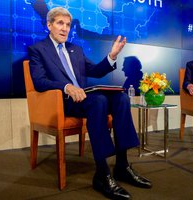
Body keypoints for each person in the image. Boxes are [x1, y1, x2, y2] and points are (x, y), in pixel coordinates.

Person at [28, 7, 151, 199]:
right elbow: (39, 81)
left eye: (68, 25)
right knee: (99, 101)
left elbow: (95, 71)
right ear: (49, 25)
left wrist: (112, 56)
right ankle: (102, 174)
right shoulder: (38, 50)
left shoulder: (75, 49)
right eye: (60, 23)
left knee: (121, 98)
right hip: (64, 102)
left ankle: (122, 165)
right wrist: (67, 87)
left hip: (86, 98)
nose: (65, 28)